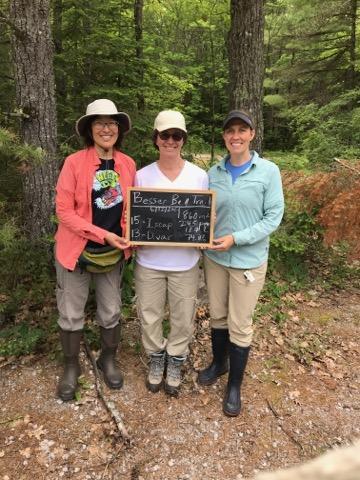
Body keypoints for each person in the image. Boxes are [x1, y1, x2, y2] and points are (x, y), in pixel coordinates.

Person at [198, 110, 284, 416]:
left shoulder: (268, 171)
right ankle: (219, 363)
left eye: (242, 130)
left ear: (251, 134)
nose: (236, 135)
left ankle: (234, 385)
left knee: (240, 322)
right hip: (215, 258)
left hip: (248, 259)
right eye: (230, 130)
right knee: (218, 315)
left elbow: (273, 217)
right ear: (224, 136)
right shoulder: (213, 173)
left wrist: (237, 237)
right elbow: (202, 211)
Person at [55, 99, 136, 401]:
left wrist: (130, 233)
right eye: (99, 122)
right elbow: (64, 212)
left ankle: (108, 359)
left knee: (111, 310)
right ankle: (71, 367)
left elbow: (131, 207)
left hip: (113, 253)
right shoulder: (74, 163)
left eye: (112, 123)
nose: (106, 128)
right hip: (75, 251)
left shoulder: (127, 164)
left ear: (119, 129)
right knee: (71, 313)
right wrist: (103, 235)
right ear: (90, 129)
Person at [134, 110, 209, 396]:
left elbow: (205, 216)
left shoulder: (199, 176)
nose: (170, 141)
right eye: (165, 135)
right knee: (150, 314)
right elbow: (133, 216)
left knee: (182, 316)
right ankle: (156, 357)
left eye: (176, 136)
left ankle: (175, 359)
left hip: (185, 263)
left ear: (183, 140)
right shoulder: (141, 176)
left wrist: (205, 232)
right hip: (149, 261)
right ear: (156, 139)